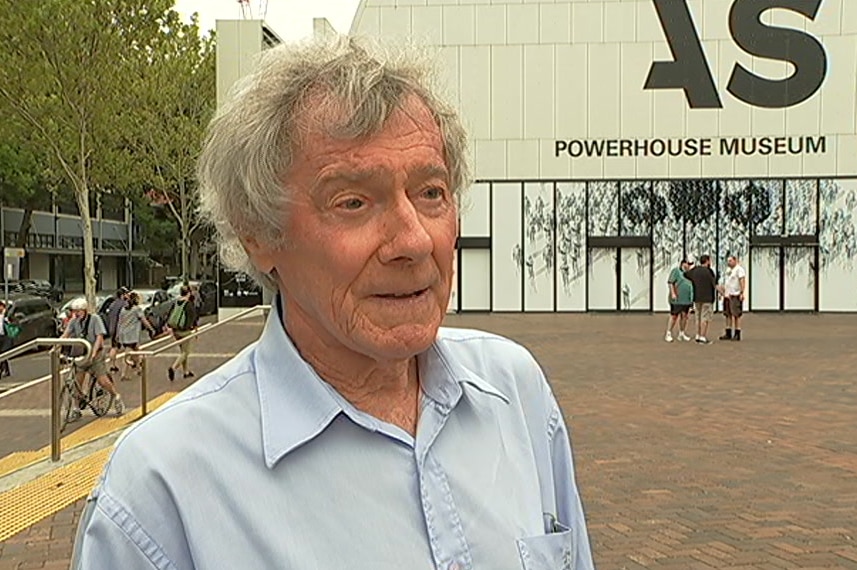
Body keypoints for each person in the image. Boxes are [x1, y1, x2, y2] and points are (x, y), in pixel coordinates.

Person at [71, 36, 595, 569]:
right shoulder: (163, 489)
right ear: (259, 233)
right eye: (353, 202)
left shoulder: (515, 393)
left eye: (431, 192)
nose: (413, 240)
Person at [61, 298, 125, 420]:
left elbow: (99, 338)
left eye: (79, 311)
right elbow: (66, 334)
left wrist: (94, 353)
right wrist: (56, 346)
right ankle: (76, 408)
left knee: (102, 380)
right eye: (75, 311)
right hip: (82, 354)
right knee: (77, 382)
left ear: (85, 310)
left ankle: (116, 396)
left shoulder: (95, 319)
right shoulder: (74, 322)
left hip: (95, 354)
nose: (76, 314)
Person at [115, 291, 156, 382]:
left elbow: (119, 322)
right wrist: (151, 329)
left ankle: (139, 368)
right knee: (129, 353)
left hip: (124, 333)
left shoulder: (123, 309)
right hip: (131, 335)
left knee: (137, 351)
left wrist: (117, 334)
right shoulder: (136, 309)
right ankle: (124, 373)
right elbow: (143, 320)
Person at [165, 284, 198, 381]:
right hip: (185, 331)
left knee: (183, 351)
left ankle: (185, 371)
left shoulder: (176, 302)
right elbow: (193, 317)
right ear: (188, 293)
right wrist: (195, 327)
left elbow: (170, 314)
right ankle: (173, 368)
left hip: (176, 330)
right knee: (185, 352)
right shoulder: (188, 304)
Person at [684, 254, 718, 344]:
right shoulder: (709, 271)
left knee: (698, 317)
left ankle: (698, 335)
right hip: (707, 297)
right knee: (705, 317)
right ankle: (703, 336)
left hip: (697, 297)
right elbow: (714, 283)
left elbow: (686, 274)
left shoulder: (695, 270)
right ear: (707, 261)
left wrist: (688, 267)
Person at [665, 259, 694, 342]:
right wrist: (673, 293)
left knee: (684, 316)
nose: (688, 266)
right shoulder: (676, 271)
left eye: (690, 264)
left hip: (686, 299)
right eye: (687, 264)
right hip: (677, 299)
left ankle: (681, 333)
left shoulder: (690, 274)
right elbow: (671, 282)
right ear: (682, 264)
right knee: (674, 316)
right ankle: (668, 333)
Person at [720, 255, 747, 341]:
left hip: (735, 294)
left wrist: (742, 292)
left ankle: (737, 332)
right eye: (728, 261)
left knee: (736, 314)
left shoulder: (739, 270)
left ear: (735, 261)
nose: (729, 263)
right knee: (727, 314)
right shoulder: (728, 270)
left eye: (730, 261)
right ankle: (728, 332)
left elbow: (742, 281)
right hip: (727, 295)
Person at [104, 287, 130, 373]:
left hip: (112, 327)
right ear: (122, 295)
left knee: (114, 346)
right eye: (126, 294)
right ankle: (132, 364)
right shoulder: (124, 304)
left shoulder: (112, 304)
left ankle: (112, 365)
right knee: (129, 346)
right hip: (120, 328)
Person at [0, 300, 12, 377]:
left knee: (3, 353)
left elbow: (11, 322)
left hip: (4, 337)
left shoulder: (6, 315)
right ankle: (4, 370)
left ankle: (4, 370)